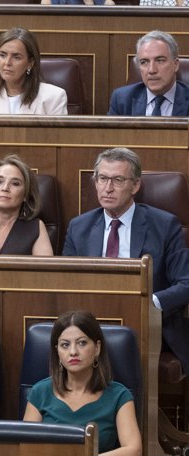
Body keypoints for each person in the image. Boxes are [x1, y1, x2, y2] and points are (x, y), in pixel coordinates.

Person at [63, 147, 189, 375]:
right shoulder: (78, 227)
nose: (108, 188)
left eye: (118, 180)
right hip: (90, 323)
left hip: (147, 327)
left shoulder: (164, 225)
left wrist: (149, 304)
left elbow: (186, 283)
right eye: (102, 178)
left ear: (135, 185)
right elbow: (67, 283)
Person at [24, 310, 142, 456]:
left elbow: (134, 450)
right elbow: (27, 449)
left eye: (82, 343)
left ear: (97, 348)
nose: (73, 352)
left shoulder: (119, 396)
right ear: (57, 352)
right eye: (65, 345)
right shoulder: (40, 392)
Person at [0, 28, 67, 115]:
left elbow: (58, 134)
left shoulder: (54, 98)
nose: (7, 62)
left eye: (16, 57)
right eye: (3, 55)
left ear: (30, 63)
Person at [108, 31, 189, 116]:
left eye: (160, 60)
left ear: (175, 64)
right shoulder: (121, 99)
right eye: (144, 62)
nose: (152, 70)